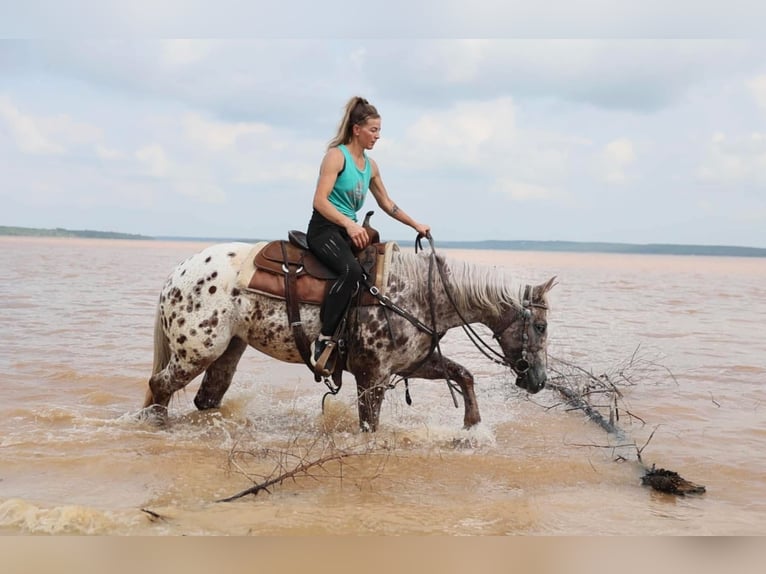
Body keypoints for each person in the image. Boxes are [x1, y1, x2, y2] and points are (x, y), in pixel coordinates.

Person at [307, 96, 430, 375]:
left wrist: (415, 224)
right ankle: (324, 338)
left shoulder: (371, 166)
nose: (377, 136)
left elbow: (387, 203)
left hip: (350, 232)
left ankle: (355, 337)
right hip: (325, 229)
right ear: (356, 129)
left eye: (379, 131)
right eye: (373, 130)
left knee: (374, 278)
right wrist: (350, 225)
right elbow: (320, 201)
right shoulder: (336, 156)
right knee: (350, 272)